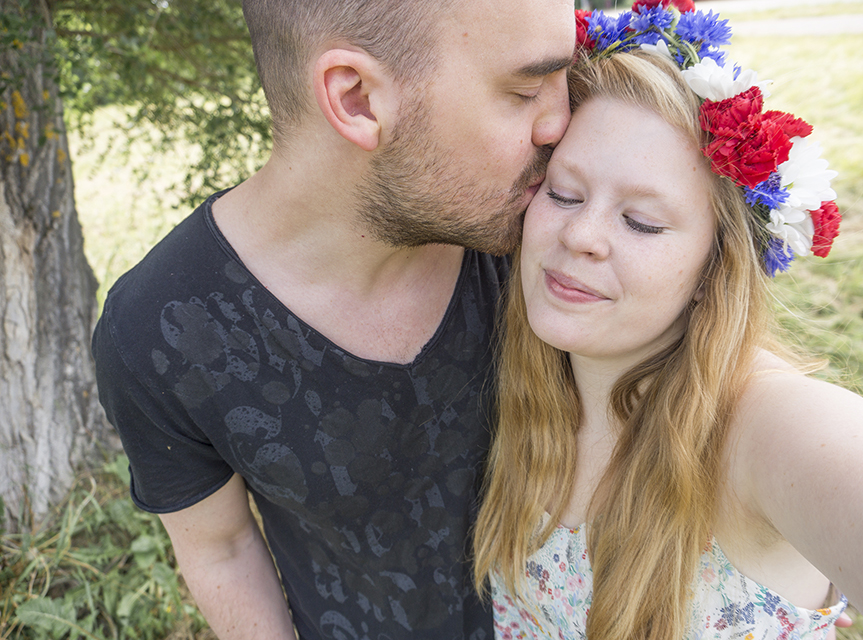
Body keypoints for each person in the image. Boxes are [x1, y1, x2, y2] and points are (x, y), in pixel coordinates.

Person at [472, 5, 863, 640]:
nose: (580, 235)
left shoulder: (767, 426)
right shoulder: (522, 375)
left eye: (641, 222)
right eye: (564, 194)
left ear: (714, 270)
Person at [91, 0, 576, 638]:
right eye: (523, 90)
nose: (563, 121)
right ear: (356, 99)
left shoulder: (561, 243)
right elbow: (221, 547)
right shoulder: (159, 333)